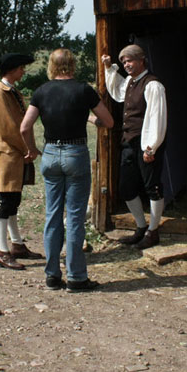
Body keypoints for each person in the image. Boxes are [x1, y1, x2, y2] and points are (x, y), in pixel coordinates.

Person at [21, 48, 113, 292]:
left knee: (52, 215)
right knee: (74, 217)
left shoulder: (41, 91)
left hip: (50, 154)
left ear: (51, 65)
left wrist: (31, 150)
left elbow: (24, 127)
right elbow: (109, 121)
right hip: (75, 154)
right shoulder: (83, 90)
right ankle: (76, 277)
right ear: (72, 65)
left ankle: (52, 275)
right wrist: (90, 118)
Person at [102, 44, 168, 249]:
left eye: (130, 60)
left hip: (147, 144)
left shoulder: (153, 85)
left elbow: (157, 117)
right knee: (126, 188)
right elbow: (117, 91)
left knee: (152, 187)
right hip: (129, 143)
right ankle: (141, 227)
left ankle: (153, 231)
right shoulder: (130, 81)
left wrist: (151, 147)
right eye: (123, 62)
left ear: (141, 60)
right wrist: (109, 68)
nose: (127, 65)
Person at [0, 53, 44, 270]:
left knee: (13, 202)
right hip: (8, 156)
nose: (23, 72)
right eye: (21, 68)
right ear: (11, 69)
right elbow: (8, 129)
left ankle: (17, 245)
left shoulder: (10, 92)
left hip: (15, 155)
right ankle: (3, 251)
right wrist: (28, 148)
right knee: (5, 203)